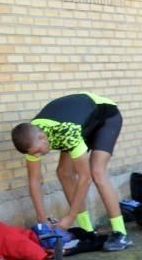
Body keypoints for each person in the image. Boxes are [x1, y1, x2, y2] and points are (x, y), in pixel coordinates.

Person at [12, 93, 132, 251]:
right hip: (80, 122)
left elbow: (85, 178)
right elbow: (34, 180)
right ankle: (87, 230)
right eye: (34, 154)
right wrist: (42, 219)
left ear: (42, 138)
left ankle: (120, 233)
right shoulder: (30, 139)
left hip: (104, 117)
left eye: (38, 152)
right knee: (64, 173)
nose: (37, 156)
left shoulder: (66, 133)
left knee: (96, 171)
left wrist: (70, 217)